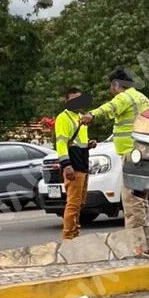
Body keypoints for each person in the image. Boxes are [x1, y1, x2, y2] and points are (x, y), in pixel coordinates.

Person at [80, 68, 149, 228]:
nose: (110, 90)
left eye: (110, 86)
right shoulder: (142, 98)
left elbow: (109, 107)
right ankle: (146, 235)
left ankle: (136, 241)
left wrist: (92, 114)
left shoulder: (124, 97)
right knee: (140, 198)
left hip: (130, 153)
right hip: (141, 153)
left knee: (130, 199)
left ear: (116, 84)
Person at [55, 87, 92, 239]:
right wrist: (66, 165)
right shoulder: (63, 118)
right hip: (73, 166)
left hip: (83, 165)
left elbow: (78, 142)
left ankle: (74, 232)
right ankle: (69, 237)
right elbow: (61, 143)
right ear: (66, 101)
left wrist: (89, 143)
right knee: (73, 204)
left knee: (79, 203)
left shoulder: (81, 117)